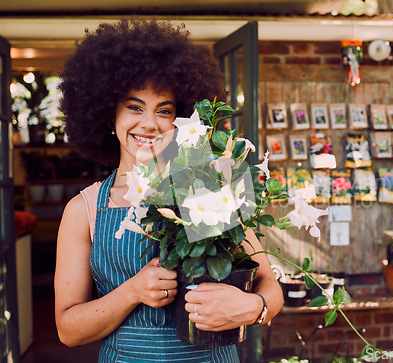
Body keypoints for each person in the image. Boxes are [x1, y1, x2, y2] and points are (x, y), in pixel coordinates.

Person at [54, 18, 284, 363]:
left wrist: (254, 306)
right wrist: (132, 291)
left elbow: (271, 287)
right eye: (134, 107)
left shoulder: (209, 187)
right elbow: (67, 330)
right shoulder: (83, 209)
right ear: (107, 114)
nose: (149, 123)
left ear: (182, 120)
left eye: (165, 111)